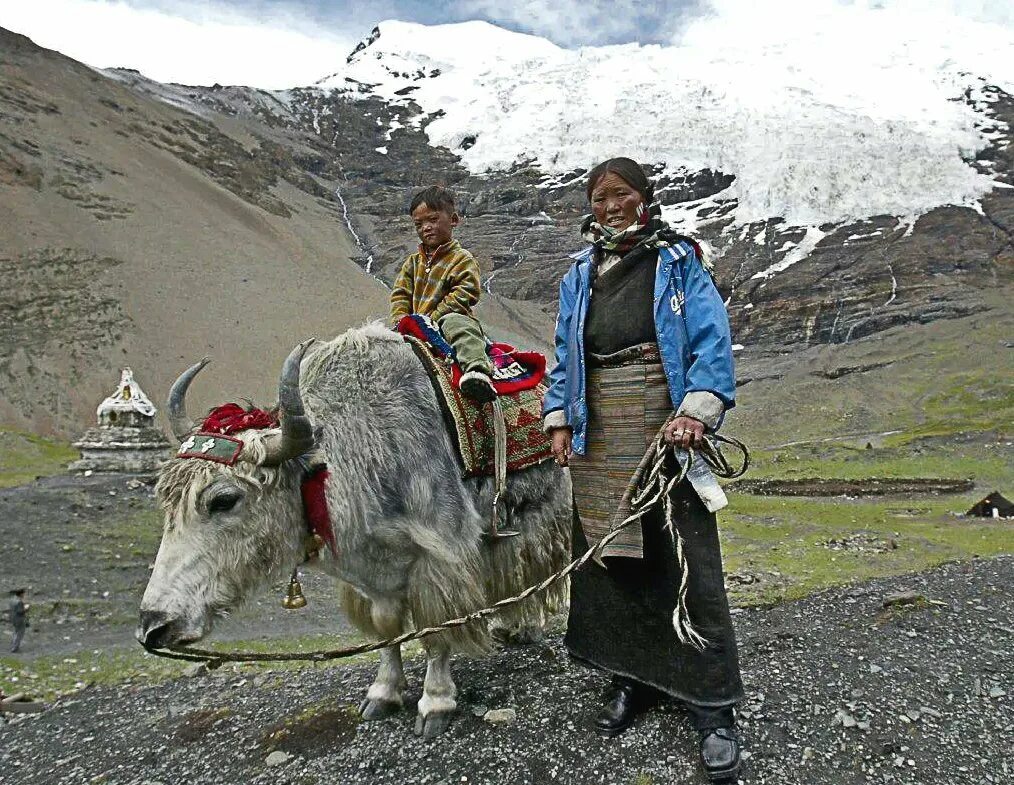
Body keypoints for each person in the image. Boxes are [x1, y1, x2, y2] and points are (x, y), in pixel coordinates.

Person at [542, 158, 744, 783]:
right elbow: (564, 353)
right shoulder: (580, 274)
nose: (609, 206)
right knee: (614, 560)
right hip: (598, 434)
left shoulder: (679, 262)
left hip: (664, 428)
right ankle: (637, 679)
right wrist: (556, 418)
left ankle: (712, 707)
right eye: (599, 197)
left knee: (684, 562)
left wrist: (695, 412)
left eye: (621, 194)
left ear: (644, 199)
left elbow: (711, 341)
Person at [390, 185, 496, 402]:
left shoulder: (462, 258)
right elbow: (400, 293)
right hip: (416, 326)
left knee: (459, 325)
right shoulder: (412, 263)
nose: (426, 228)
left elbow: (466, 291)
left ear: (454, 220)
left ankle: (477, 371)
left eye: (433, 220)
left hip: (449, 319)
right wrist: (402, 319)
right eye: (419, 224)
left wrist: (433, 318)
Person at [8, 589, 27, 654]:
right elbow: (20, 611)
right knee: (20, 633)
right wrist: (26, 608)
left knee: (16, 632)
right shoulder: (19, 602)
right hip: (19, 619)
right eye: (24, 593)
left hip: (13, 618)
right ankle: (15, 648)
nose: (24, 595)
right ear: (21, 594)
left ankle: (14, 645)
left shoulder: (12, 599)